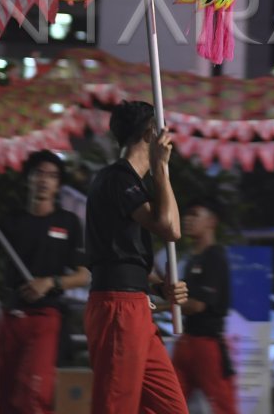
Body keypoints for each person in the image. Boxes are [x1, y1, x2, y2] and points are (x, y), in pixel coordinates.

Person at [84, 100, 188, 414]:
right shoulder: (117, 178)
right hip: (117, 307)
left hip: (135, 304)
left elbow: (129, 253)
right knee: (116, 406)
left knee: (170, 408)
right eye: (162, 129)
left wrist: (158, 288)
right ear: (148, 134)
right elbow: (168, 228)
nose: (168, 136)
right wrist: (161, 169)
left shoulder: (129, 182)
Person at [0, 148, 91, 414]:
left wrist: (50, 282)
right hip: (11, 316)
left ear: (58, 183)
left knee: (35, 394)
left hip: (46, 318)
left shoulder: (67, 222)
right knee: (6, 395)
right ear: (29, 178)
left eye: (52, 175)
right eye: (39, 173)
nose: (44, 180)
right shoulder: (10, 220)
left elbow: (83, 275)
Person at [172, 197, 237, 413]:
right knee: (169, 402)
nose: (187, 219)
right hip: (187, 341)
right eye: (186, 214)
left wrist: (162, 304)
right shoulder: (192, 260)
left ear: (212, 222)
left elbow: (198, 305)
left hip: (207, 345)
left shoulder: (215, 258)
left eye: (194, 215)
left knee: (222, 405)